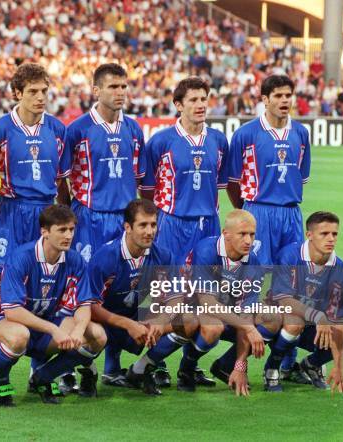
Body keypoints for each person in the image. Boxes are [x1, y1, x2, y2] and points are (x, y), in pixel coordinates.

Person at [0, 64, 69, 394]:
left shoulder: (58, 130)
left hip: (45, 215)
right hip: (9, 212)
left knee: (46, 292)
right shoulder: (0, 129)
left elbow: (62, 183)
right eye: (32, 91)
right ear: (17, 94)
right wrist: (4, 212)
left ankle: (40, 372)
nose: (40, 97)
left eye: (44, 91)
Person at [140, 76, 229, 386]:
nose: (200, 104)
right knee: (169, 301)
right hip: (171, 226)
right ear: (178, 105)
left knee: (204, 302)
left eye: (204, 98)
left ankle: (188, 367)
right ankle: (156, 365)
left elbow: (219, 186)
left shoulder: (218, 141)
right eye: (193, 99)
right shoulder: (161, 142)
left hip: (208, 228)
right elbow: (148, 190)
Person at [226, 74, 311, 380]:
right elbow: (233, 184)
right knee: (251, 288)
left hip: (290, 215)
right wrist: (247, 214)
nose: (285, 100)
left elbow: (301, 178)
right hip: (258, 213)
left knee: (292, 287)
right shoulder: (246, 134)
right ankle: (238, 363)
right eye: (278, 95)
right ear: (264, 99)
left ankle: (285, 362)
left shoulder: (300, 133)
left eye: (289, 94)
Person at [0, 205, 106, 406]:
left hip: (45, 320)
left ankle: (43, 377)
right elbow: (12, 310)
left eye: (71, 229)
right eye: (62, 230)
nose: (68, 235)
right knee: (19, 335)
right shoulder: (21, 257)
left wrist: (78, 330)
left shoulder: (75, 260)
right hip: (4, 320)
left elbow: (84, 304)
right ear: (44, 232)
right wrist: (53, 330)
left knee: (97, 336)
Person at [84, 199, 197, 394]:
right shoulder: (105, 258)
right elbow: (89, 306)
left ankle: (140, 369)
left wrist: (160, 322)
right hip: (109, 324)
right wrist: (128, 325)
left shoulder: (163, 256)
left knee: (190, 320)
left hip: (142, 320)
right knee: (86, 329)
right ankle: (88, 370)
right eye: (143, 225)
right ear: (127, 227)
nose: (149, 231)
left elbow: (175, 298)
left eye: (153, 224)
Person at [266, 211, 343, 392]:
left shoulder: (341, 271)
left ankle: (312, 364)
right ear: (309, 235)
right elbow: (284, 300)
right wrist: (318, 316)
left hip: (315, 330)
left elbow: (338, 320)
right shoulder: (290, 256)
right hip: (279, 324)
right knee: (294, 321)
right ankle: (272, 368)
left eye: (334, 234)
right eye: (324, 234)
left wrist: (339, 366)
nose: (331, 239)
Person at [64, 63, 146, 262]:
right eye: (112, 87)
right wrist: (70, 209)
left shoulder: (133, 129)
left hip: (125, 218)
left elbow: (137, 177)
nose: (120, 92)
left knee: (124, 283)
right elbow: (62, 177)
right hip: (88, 217)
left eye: (123, 86)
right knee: (86, 280)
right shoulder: (78, 129)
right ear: (96, 91)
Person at [189, 210, 276, 396]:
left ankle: (226, 366)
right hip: (190, 309)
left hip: (227, 313)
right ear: (225, 233)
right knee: (213, 327)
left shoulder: (254, 264)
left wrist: (240, 366)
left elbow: (246, 315)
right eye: (242, 234)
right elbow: (207, 302)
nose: (248, 241)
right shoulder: (206, 250)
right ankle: (185, 368)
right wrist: (249, 328)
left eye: (252, 234)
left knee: (271, 318)